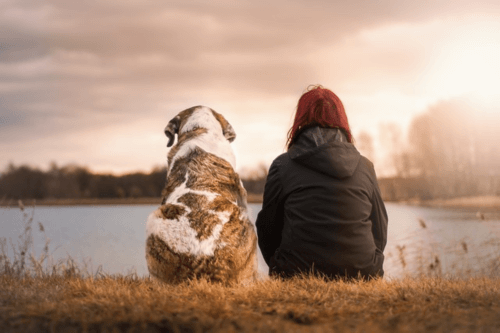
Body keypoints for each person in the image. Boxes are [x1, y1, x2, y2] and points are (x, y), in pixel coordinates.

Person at [255, 85, 388, 280]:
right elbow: (380, 228)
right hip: (363, 273)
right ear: (341, 119)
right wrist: (369, 263)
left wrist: (279, 265)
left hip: (295, 273)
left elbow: (267, 229)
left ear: (300, 120)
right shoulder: (365, 166)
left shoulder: (282, 166)